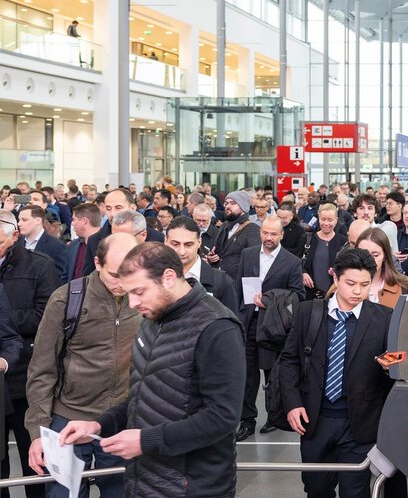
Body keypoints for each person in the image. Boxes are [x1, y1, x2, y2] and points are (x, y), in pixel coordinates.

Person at [59, 243, 245, 497]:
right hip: (144, 480)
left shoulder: (218, 328)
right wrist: (99, 425)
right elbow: (144, 395)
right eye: (128, 294)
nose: (133, 303)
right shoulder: (152, 319)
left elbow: (222, 416)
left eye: (139, 292)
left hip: (193, 486)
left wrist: (144, 441)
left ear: (168, 278)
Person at [25, 233, 140, 498]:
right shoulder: (67, 299)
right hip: (68, 419)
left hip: (121, 420)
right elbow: (42, 368)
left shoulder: (145, 298)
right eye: (115, 275)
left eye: (129, 273)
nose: (122, 283)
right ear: (98, 263)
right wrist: (37, 430)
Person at [280, 249, 399, 498]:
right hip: (315, 419)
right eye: (350, 283)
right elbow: (290, 360)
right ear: (335, 278)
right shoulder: (307, 313)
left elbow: (396, 371)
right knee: (317, 489)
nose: (358, 291)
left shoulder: (384, 318)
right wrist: (293, 403)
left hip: (361, 423)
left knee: (355, 491)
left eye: (365, 284)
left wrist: (392, 368)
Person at [0, 209, 61, 498]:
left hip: (26, 376)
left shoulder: (40, 265)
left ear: (14, 236)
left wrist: (5, 318)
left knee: (33, 460)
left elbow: (47, 317)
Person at [236, 215, 306, 441]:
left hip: (273, 326)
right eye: (265, 233)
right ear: (260, 232)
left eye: (273, 234)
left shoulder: (292, 262)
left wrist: (270, 300)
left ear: (282, 235)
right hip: (248, 322)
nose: (268, 237)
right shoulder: (248, 254)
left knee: (272, 375)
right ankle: (247, 420)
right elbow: (238, 288)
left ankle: (273, 416)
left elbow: (298, 296)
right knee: (247, 375)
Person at [165, 217, 239, 314]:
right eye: (175, 244)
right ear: (165, 241)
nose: (182, 251)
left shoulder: (222, 282)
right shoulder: (154, 275)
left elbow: (231, 321)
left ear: (199, 242)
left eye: (188, 245)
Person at [354, 227, 408, 310]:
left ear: (385, 256)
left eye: (375, 255)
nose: (369, 260)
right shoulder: (343, 287)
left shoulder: (407, 287)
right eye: (363, 254)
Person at [206, 190, 261, 282]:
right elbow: (218, 252)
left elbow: (254, 263)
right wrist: (212, 258)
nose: (228, 206)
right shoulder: (224, 226)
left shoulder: (252, 229)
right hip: (219, 280)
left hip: (237, 284)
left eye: (233, 203)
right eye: (226, 203)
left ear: (243, 207)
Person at [302, 203, 349, 299]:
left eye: (330, 220)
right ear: (318, 218)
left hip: (336, 296)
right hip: (309, 296)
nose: (326, 223)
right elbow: (295, 261)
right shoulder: (307, 239)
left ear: (336, 220)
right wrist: (303, 273)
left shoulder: (343, 242)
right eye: (323, 219)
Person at [17, 204, 67, 280]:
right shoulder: (16, 243)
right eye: (19, 220)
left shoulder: (56, 245)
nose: (19, 224)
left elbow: (60, 276)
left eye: (24, 220)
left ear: (38, 220)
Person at [64, 202, 102, 283]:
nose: (72, 223)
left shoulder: (106, 244)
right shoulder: (73, 245)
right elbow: (66, 275)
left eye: (74, 219)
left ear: (84, 221)